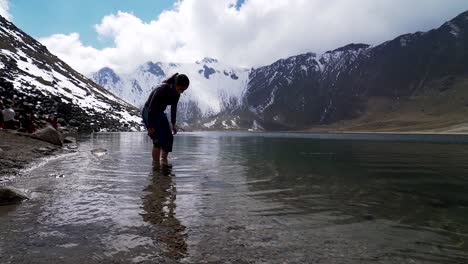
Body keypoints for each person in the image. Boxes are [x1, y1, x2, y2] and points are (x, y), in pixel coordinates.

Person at [142, 73, 190, 166]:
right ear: (175, 84)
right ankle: (156, 168)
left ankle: (164, 163)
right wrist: (150, 126)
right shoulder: (162, 89)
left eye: (183, 90)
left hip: (160, 113)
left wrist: (173, 124)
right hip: (149, 112)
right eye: (181, 89)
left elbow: (173, 108)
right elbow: (151, 107)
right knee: (157, 141)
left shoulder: (177, 94)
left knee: (169, 138)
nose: (181, 92)